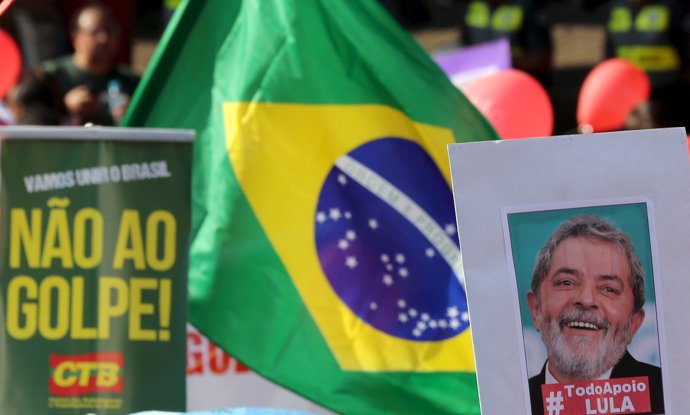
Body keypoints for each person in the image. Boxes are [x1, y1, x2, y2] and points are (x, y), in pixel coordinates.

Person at [526, 215, 663, 415]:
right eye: (567, 282)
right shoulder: (512, 399)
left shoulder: (670, 393)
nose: (587, 299)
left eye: (608, 289)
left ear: (634, 323)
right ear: (536, 309)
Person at [34, 2, 138, 126]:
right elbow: (23, 111)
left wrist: (133, 113)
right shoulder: (48, 76)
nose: (103, 38)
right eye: (94, 32)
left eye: (109, 31)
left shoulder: (132, 82)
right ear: (76, 38)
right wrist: (64, 106)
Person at [604, 0, 690, 129]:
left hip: (670, 94)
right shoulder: (616, 8)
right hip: (627, 96)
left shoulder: (675, 7)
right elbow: (610, 55)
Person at [457, 0, 553, 86]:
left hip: (517, 84)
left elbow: (542, 59)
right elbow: (464, 46)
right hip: (477, 82)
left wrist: (499, 62)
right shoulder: (473, 6)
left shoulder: (527, 7)